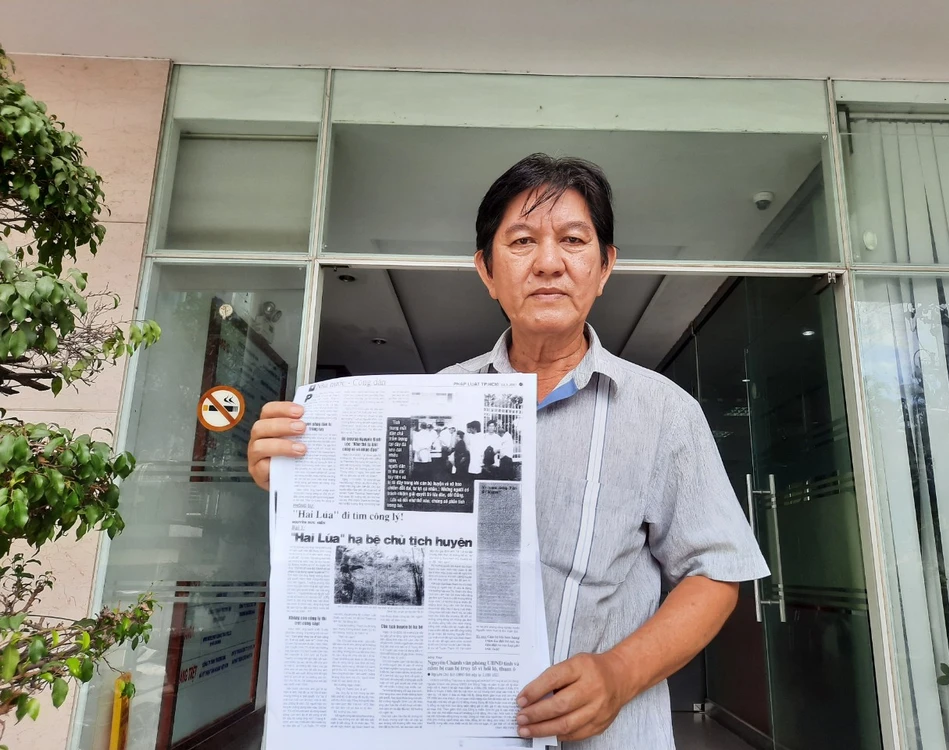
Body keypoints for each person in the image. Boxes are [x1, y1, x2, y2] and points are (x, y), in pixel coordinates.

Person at [247, 153, 768, 749]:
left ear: (604, 267)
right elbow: (376, 545)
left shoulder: (664, 412)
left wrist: (620, 674)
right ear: (487, 271)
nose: (548, 262)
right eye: (521, 241)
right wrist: (293, 474)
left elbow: (714, 574)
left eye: (573, 240)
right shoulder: (434, 401)